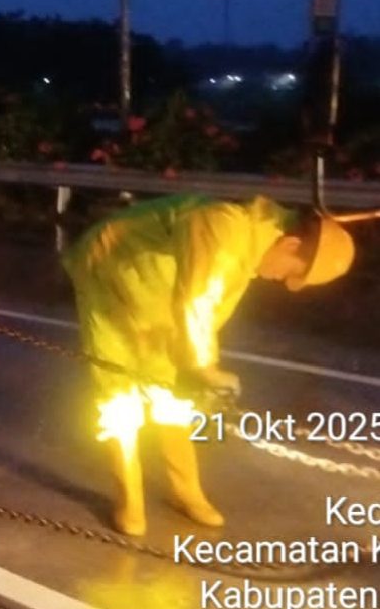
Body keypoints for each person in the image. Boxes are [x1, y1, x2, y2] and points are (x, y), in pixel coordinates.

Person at [62, 194, 355, 536]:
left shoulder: (251, 245)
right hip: (111, 270)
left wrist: (194, 367)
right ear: (291, 245)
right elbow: (197, 298)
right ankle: (130, 499)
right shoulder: (225, 228)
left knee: (175, 390)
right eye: (295, 272)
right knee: (118, 392)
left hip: (159, 289)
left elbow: (205, 309)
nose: (288, 283)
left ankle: (185, 491)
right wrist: (203, 366)